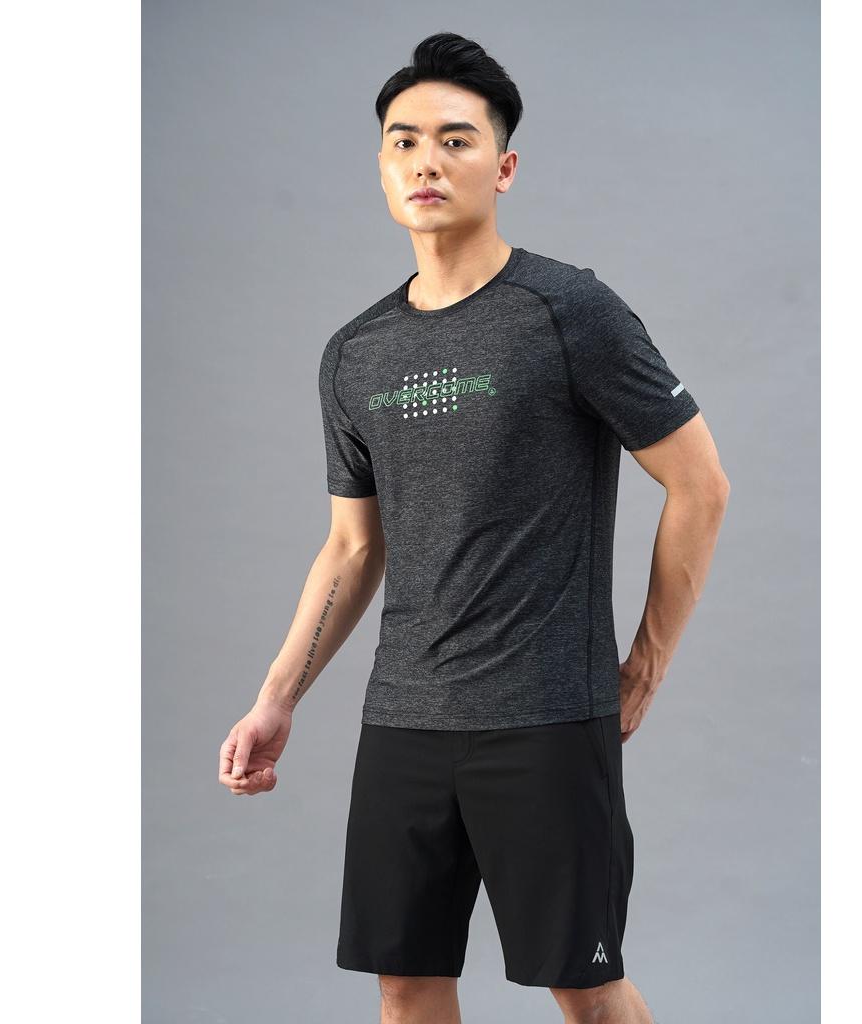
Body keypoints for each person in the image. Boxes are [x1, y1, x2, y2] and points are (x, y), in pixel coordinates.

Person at [219, 31, 729, 1024]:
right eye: (403, 141)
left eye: (455, 140)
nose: (426, 160)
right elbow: (352, 546)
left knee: (582, 984)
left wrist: (646, 662)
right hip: (402, 720)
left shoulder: (568, 310)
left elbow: (700, 484)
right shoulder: (354, 353)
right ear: (381, 167)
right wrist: (276, 698)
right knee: (405, 985)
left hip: (545, 718)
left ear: (503, 167)